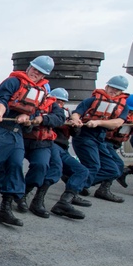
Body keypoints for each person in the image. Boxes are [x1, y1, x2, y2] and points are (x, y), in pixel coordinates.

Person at [0, 55, 54, 227]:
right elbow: (1, 100)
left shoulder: (42, 91)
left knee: (16, 166)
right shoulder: (13, 82)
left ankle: (5, 209)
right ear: (29, 67)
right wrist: (0, 112)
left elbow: (37, 110)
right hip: (0, 130)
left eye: (40, 74)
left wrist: (28, 115)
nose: (36, 74)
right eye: (35, 70)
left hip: (17, 134)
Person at [68, 75, 131, 203]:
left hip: (101, 138)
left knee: (113, 169)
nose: (113, 91)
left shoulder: (123, 107)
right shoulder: (91, 100)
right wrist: (76, 119)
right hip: (84, 136)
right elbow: (76, 113)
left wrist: (98, 123)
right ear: (106, 87)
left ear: (121, 92)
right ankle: (71, 193)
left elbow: (118, 122)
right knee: (93, 166)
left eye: (117, 90)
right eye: (112, 88)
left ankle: (77, 181)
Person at [18, 82, 68, 218]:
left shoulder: (53, 105)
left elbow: (59, 118)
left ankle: (32, 197)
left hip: (43, 143)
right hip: (22, 139)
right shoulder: (25, 100)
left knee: (47, 166)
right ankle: (10, 196)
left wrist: (43, 119)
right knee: (10, 165)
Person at [43, 88, 91, 219]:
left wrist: (75, 126)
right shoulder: (45, 111)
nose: (60, 104)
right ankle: (37, 199)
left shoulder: (67, 114)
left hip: (62, 148)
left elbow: (74, 134)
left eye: (62, 102)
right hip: (49, 144)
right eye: (57, 101)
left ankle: (66, 201)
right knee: (55, 170)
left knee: (82, 171)